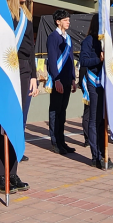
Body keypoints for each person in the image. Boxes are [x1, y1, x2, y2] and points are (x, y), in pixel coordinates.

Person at [0, 0, 38, 192]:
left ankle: (13, 173)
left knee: (18, 124)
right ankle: (0, 174)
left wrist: (35, 77)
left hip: (25, 74)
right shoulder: (4, 16)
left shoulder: (27, 17)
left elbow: (31, 50)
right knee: (4, 125)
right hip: (7, 75)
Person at [79, 16, 113, 169]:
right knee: (94, 120)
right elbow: (83, 61)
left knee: (102, 121)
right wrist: (98, 59)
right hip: (94, 83)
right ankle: (96, 156)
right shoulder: (88, 41)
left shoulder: (105, 41)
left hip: (105, 84)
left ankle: (103, 151)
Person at [45, 9, 76, 155]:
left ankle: (62, 140)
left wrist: (73, 78)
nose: (68, 22)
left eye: (68, 19)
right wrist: (56, 79)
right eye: (65, 20)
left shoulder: (68, 38)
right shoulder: (53, 37)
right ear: (58, 21)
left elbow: (71, 59)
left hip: (67, 80)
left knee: (62, 112)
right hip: (58, 80)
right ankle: (55, 142)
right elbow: (51, 59)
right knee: (55, 111)